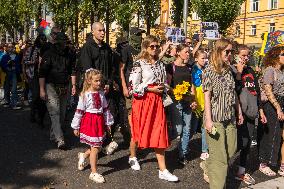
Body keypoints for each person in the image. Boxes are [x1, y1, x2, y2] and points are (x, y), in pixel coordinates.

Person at [129, 35, 178, 182]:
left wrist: (167, 89)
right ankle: (132, 156)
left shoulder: (159, 63)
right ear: (145, 47)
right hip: (143, 102)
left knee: (159, 132)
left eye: (157, 46)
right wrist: (150, 90)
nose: (155, 49)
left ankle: (163, 169)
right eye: (152, 46)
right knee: (138, 133)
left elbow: (162, 81)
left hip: (157, 102)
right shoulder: (139, 64)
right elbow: (133, 87)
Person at [202, 38, 243, 189]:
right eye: (227, 51)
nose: (230, 54)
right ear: (218, 51)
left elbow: (233, 92)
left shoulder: (229, 70)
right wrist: (208, 120)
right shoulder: (209, 71)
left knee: (231, 149)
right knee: (220, 160)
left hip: (229, 117)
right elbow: (207, 96)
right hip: (216, 119)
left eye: (232, 51)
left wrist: (238, 112)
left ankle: (207, 164)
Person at [230, 44, 267, 185]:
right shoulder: (232, 70)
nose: (246, 58)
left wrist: (261, 110)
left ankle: (241, 172)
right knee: (237, 143)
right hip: (238, 114)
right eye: (243, 55)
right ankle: (215, 165)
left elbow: (256, 91)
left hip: (251, 113)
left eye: (248, 55)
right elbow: (234, 90)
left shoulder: (250, 70)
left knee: (246, 145)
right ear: (236, 55)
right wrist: (239, 73)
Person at [71, 69, 114, 183]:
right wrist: (76, 126)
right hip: (90, 122)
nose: (99, 83)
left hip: (99, 122)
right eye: (96, 81)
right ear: (89, 81)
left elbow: (105, 108)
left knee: (97, 146)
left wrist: (108, 122)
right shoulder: (84, 95)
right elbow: (79, 111)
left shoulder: (101, 93)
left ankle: (83, 155)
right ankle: (93, 172)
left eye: (100, 80)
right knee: (95, 148)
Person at [39, 32, 77, 149]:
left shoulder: (69, 54)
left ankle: (53, 134)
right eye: (62, 42)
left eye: (65, 42)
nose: (64, 44)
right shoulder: (48, 54)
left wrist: (74, 85)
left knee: (62, 113)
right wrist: (42, 90)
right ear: (57, 42)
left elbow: (72, 70)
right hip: (51, 86)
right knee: (54, 113)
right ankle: (60, 139)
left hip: (65, 86)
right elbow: (42, 73)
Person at [166, 44, 197, 165]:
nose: (188, 54)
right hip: (176, 101)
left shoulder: (189, 67)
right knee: (178, 130)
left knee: (187, 129)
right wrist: (175, 91)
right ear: (178, 53)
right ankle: (163, 142)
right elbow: (167, 85)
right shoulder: (171, 67)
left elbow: (192, 85)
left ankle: (182, 154)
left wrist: (193, 99)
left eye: (189, 52)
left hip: (188, 101)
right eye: (186, 52)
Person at [258, 45, 284, 177]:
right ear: (275, 56)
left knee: (280, 135)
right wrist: (278, 107)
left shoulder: (282, 71)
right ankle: (264, 163)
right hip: (272, 105)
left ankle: (279, 163)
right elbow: (268, 91)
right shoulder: (270, 70)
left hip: (282, 102)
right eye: (283, 54)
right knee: (271, 135)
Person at [191, 50, 209, 161]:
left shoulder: (206, 69)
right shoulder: (193, 69)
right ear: (196, 59)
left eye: (206, 58)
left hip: (205, 100)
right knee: (192, 128)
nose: (205, 60)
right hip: (196, 100)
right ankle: (183, 147)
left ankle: (204, 150)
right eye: (202, 58)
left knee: (204, 127)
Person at [0, 43, 22, 109]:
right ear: (7, 48)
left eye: (12, 47)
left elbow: (19, 65)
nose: (11, 48)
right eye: (9, 47)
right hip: (7, 74)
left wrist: (15, 67)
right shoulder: (5, 56)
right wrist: (7, 67)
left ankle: (14, 104)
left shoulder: (17, 56)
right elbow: (2, 64)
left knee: (14, 89)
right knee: (6, 88)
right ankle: (7, 102)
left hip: (14, 73)